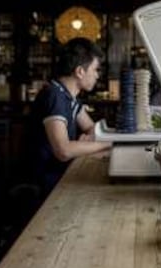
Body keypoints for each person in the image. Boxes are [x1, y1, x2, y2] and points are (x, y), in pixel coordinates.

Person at [29, 37, 112, 199]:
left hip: (61, 174)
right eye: (95, 70)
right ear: (80, 71)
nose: (97, 76)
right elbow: (64, 150)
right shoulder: (54, 95)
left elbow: (91, 129)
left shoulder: (70, 97)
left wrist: (85, 143)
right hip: (45, 181)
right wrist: (108, 143)